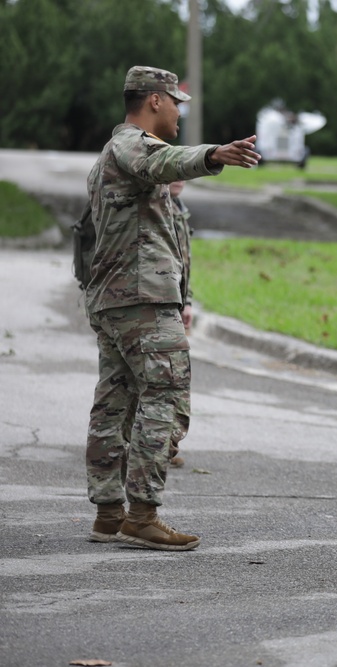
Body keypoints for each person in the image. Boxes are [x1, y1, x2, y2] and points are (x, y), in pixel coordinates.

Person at [85, 65, 259, 551]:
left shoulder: (113, 154)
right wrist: (214, 154)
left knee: (115, 404)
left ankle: (109, 513)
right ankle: (141, 514)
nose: (180, 112)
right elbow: (164, 162)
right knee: (167, 396)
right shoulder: (131, 145)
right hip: (140, 299)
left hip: (119, 298)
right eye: (175, 102)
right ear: (154, 101)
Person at [167, 180, 193, 469]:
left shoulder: (180, 210)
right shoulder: (153, 207)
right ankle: (156, 448)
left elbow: (184, 261)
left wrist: (188, 301)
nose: (178, 178)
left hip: (174, 303)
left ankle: (163, 446)